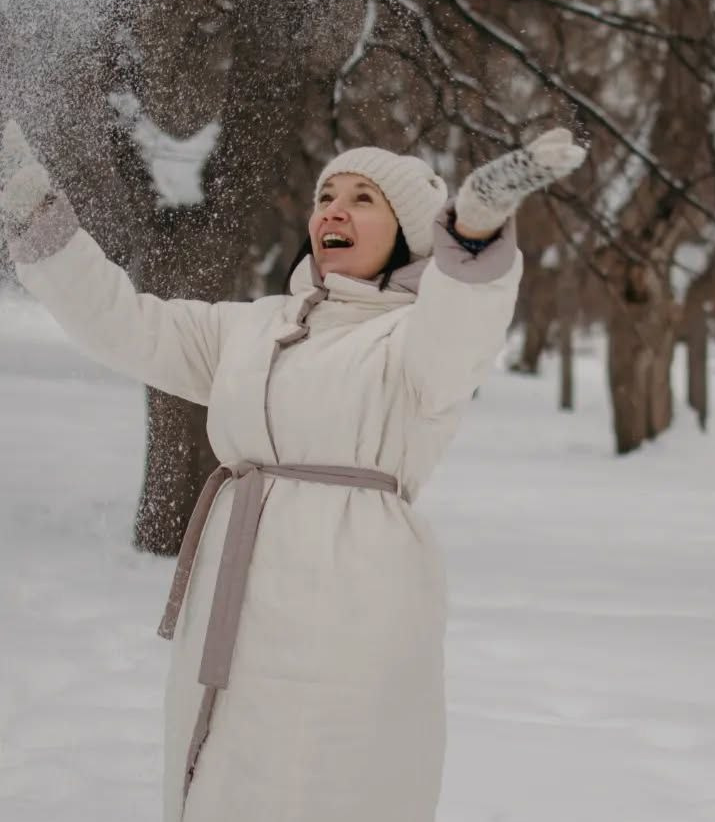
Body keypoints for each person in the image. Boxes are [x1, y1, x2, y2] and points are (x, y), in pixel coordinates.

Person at [0, 120, 586, 822]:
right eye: (326, 196)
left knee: (332, 781)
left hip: (351, 603)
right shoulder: (252, 326)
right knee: (223, 775)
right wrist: (30, 204)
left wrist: (474, 228)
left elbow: (464, 322)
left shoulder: (414, 339)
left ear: (406, 232)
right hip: (232, 598)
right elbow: (120, 321)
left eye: (363, 199)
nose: (334, 210)